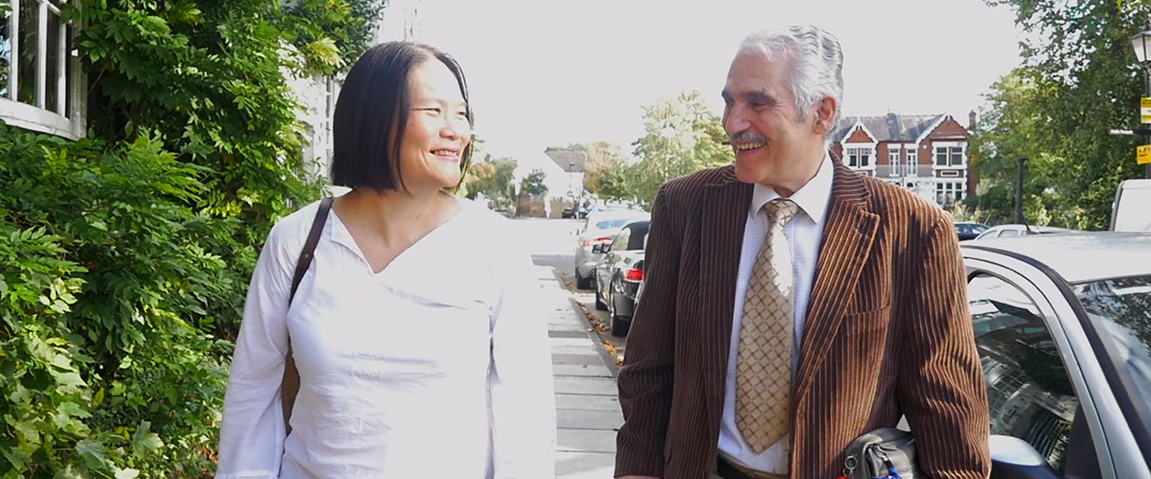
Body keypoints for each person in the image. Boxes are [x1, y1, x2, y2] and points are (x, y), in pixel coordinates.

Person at [614, 25, 989, 479]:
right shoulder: (685, 206)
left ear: (822, 112)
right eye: (729, 101)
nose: (733, 122)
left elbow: (947, 404)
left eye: (758, 102)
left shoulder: (912, 230)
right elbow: (649, 369)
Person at [215, 41, 556, 479]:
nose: (456, 130)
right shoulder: (299, 240)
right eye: (434, 111)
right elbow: (253, 392)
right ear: (375, 118)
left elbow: (526, 415)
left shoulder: (493, 246)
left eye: (462, 113)